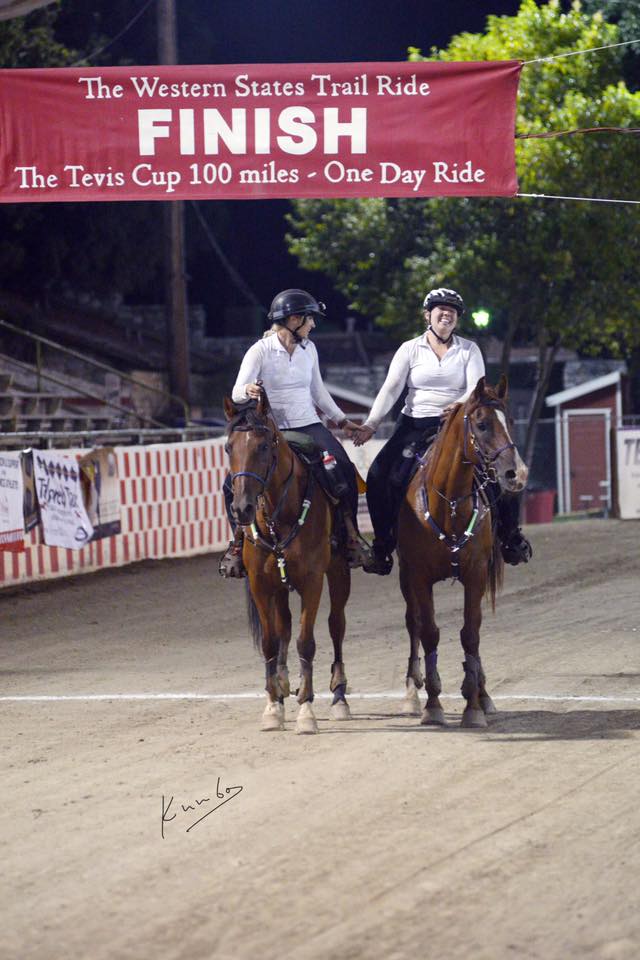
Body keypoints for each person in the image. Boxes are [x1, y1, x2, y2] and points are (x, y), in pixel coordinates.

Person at [353, 287, 533, 575]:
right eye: (440, 308)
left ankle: (510, 537)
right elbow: (390, 389)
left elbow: (475, 387)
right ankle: (383, 546)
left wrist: (458, 405)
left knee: (504, 469)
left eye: (452, 310)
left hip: (458, 423)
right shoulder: (409, 349)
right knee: (378, 476)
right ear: (428, 315)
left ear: (457, 319)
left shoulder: (468, 349)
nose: (446, 313)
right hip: (414, 423)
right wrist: (371, 424)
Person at [219, 288, 369, 578]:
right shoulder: (260, 350)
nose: (313, 325)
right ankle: (237, 543)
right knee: (230, 485)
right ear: (293, 319)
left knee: (344, 470)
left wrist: (341, 421)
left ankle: (351, 535)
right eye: (310, 320)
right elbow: (237, 391)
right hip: (273, 430)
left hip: (309, 424)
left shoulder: (308, 349)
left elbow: (318, 391)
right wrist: (246, 391)